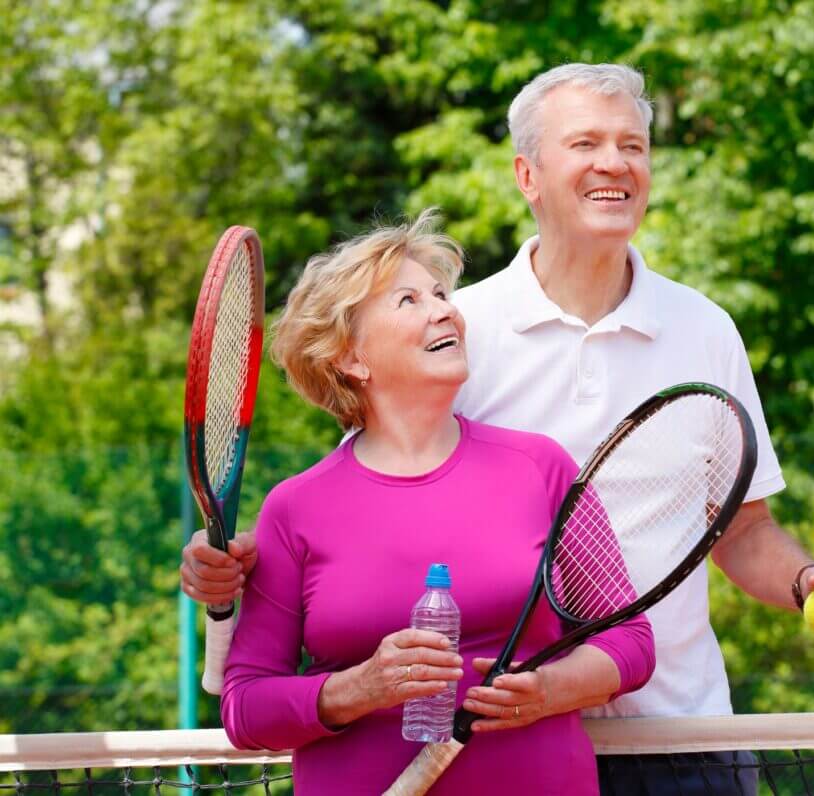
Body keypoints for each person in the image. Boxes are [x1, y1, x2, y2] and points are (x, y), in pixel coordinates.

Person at [183, 64, 814, 795]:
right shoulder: (459, 332)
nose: (615, 163)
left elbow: (741, 529)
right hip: (505, 747)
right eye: (586, 143)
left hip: (681, 734)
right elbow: (376, 503)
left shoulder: (705, 331)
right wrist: (242, 570)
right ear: (527, 176)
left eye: (633, 145)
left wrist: (805, 584)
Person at [213, 211, 655, 795]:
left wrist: (549, 690)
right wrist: (359, 687)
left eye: (442, 294)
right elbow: (245, 706)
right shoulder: (295, 507)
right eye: (408, 301)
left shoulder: (541, 468)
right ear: (351, 358)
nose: (445, 309)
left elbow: (630, 642)